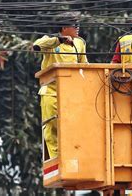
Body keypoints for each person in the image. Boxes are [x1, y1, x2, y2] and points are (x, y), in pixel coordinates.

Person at [32, 12, 88, 159]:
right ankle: (57, 159)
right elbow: (36, 46)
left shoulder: (80, 43)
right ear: (64, 27)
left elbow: (85, 65)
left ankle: (72, 156)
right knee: (51, 126)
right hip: (51, 91)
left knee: (73, 125)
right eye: (74, 25)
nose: (78, 28)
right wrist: (59, 40)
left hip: (71, 92)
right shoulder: (50, 40)